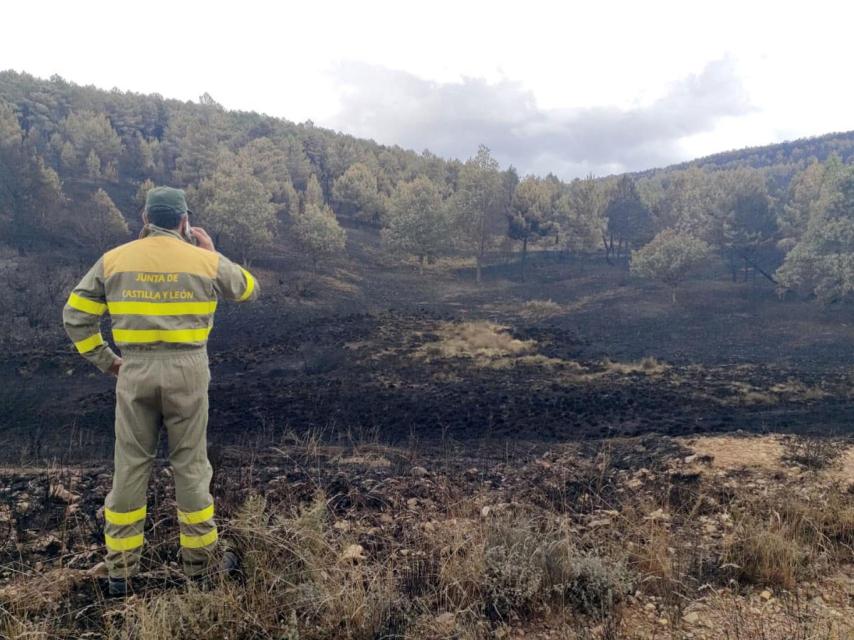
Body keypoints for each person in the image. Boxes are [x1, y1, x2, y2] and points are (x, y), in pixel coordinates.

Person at [62, 186, 259, 596]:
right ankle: (201, 568)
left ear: (145, 219)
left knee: (131, 465)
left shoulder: (114, 260)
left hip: (134, 369)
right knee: (190, 465)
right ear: (185, 222)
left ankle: (120, 572)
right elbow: (246, 288)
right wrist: (212, 252)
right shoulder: (203, 260)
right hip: (188, 370)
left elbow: (76, 318)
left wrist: (108, 361)